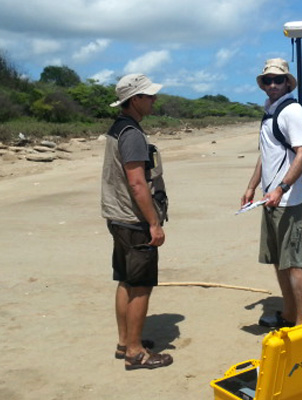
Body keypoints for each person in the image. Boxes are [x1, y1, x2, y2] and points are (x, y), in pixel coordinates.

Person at [101, 73, 173, 371]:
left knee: (125, 280)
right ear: (135, 100)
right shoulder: (131, 133)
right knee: (141, 286)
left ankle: (125, 342)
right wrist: (154, 223)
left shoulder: (118, 128)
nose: (154, 100)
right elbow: (138, 183)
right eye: (149, 96)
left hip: (117, 216)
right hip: (133, 221)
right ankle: (135, 352)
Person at [241, 58, 302, 327]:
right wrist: (251, 187)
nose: (272, 85)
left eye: (277, 80)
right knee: (279, 262)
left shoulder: (292, 112)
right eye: (267, 80)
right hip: (269, 199)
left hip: (288, 200)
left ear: (287, 82)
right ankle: (289, 313)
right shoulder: (269, 110)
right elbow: (266, 154)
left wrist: (282, 188)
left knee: (292, 262)